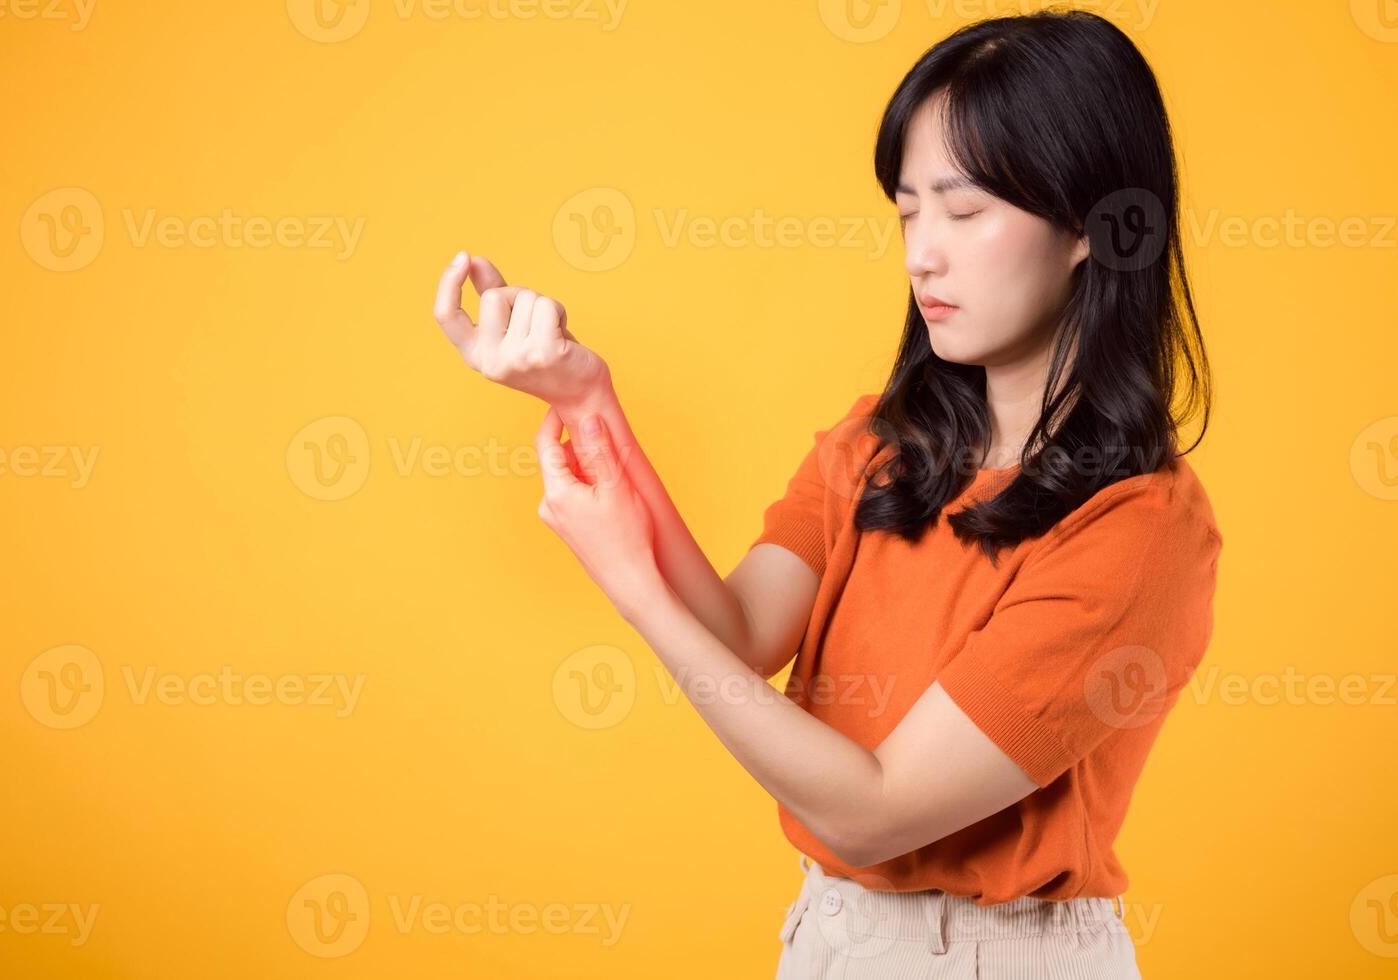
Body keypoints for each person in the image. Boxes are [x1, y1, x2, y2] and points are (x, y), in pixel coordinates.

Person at [431, 10, 1220, 976]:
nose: (921, 253)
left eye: (965, 212)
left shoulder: (1137, 526)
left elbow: (870, 811)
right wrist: (584, 400)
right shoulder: (881, 443)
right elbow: (736, 633)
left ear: (1099, 227)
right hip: (830, 939)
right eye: (906, 211)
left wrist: (628, 586)